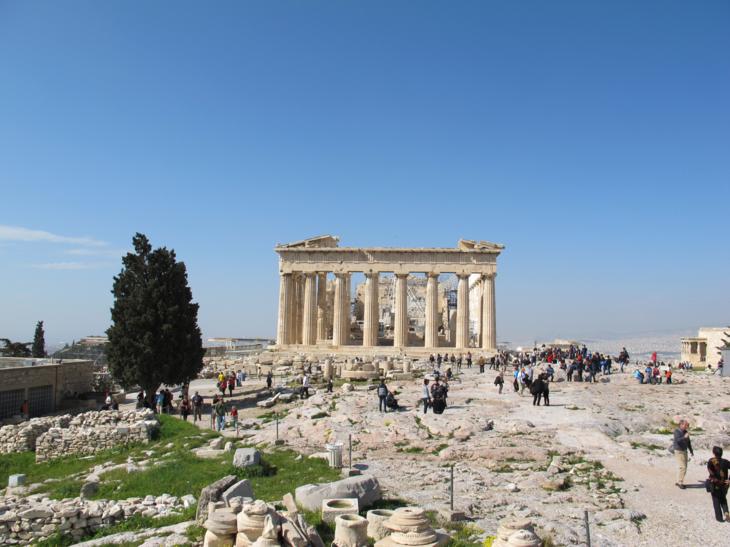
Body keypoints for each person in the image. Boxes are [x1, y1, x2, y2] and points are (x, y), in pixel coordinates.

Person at [706, 446, 730, 522]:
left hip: (715, 484)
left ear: (713, 453)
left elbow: (710, 472)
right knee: (723, 498)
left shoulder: (710, 461)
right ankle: (726, 514)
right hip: (725, 484)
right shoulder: (726, 462)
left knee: (716, 500)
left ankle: (719, 518)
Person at [673, 419, 694, 488]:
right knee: (683, 467)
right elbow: (678, 441)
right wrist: (684, 437)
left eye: (687, 425)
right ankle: (680, 482)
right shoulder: (677, 431)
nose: (687, 426)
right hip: (678, 451)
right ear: (681, 425)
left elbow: (688, 442)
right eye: (686, 425)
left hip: (684, 451)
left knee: (684, 467)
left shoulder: (685, 432)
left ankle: (678, 481)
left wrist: (691, 451)